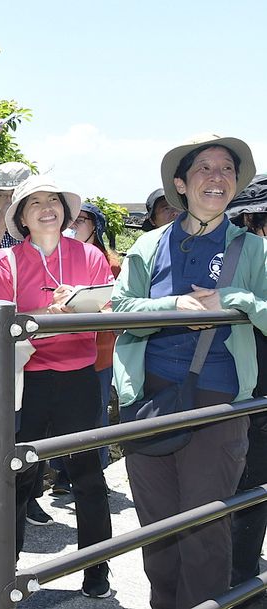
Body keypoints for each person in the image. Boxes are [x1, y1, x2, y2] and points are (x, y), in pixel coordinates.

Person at [112, 135, 267, 609]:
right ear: (181, 183)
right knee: (156, 526)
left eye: (227, 169)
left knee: (205, 526)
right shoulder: (148, 244)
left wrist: (234, 301)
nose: (217, 177)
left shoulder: (251, 249)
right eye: (204, 168)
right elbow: (119, 305)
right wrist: (168, 306)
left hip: (220, 397)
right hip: (150, 395)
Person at [0, 174, 114, 598]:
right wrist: (47, 312)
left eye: (53, 200)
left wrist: (75, 307)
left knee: (87, 475)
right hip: (26, 380)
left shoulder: (90, 255)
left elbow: (107, 310)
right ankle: (4, 565)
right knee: (18, 476)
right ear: (20, 215)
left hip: (79, 377)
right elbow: (0, 327)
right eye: (34, 201)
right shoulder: (6, 261)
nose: (46, 207)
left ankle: (97, 570)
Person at [0, 161, 54, 526]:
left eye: (14, 196)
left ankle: (29, 497)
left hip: (38, 344)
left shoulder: (43, 235)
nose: (7, 203)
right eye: (2, 196)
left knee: (33, 428)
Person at [50, 202, 121, 495]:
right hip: (61, 350)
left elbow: (115, 304)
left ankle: (94, 473)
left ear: (97, 226)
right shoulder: (54, 256)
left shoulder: (111, 262)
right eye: (74, 218)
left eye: (84, 219)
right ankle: (61, 475)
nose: (76, 224)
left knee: (95, 414)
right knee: (60, 414)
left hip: (100, 351)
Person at [226, 175, 267, 605]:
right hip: (239, 390)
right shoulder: (233, 256)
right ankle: (241, 583)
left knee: (251, 489)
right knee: (246, 488)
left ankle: (243, 584)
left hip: (251, 392)